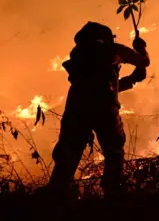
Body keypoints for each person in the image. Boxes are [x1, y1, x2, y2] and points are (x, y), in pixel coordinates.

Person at [46, 21, 150, 198]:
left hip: (76, 109)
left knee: (68, 155)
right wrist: (141, 47)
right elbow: (144, 61)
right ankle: (113, 195)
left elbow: (100, 85)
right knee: (114, 153)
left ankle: (54, 198)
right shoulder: (112, 50)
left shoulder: (78, 56)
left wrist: (131, 80)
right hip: (104, 111)